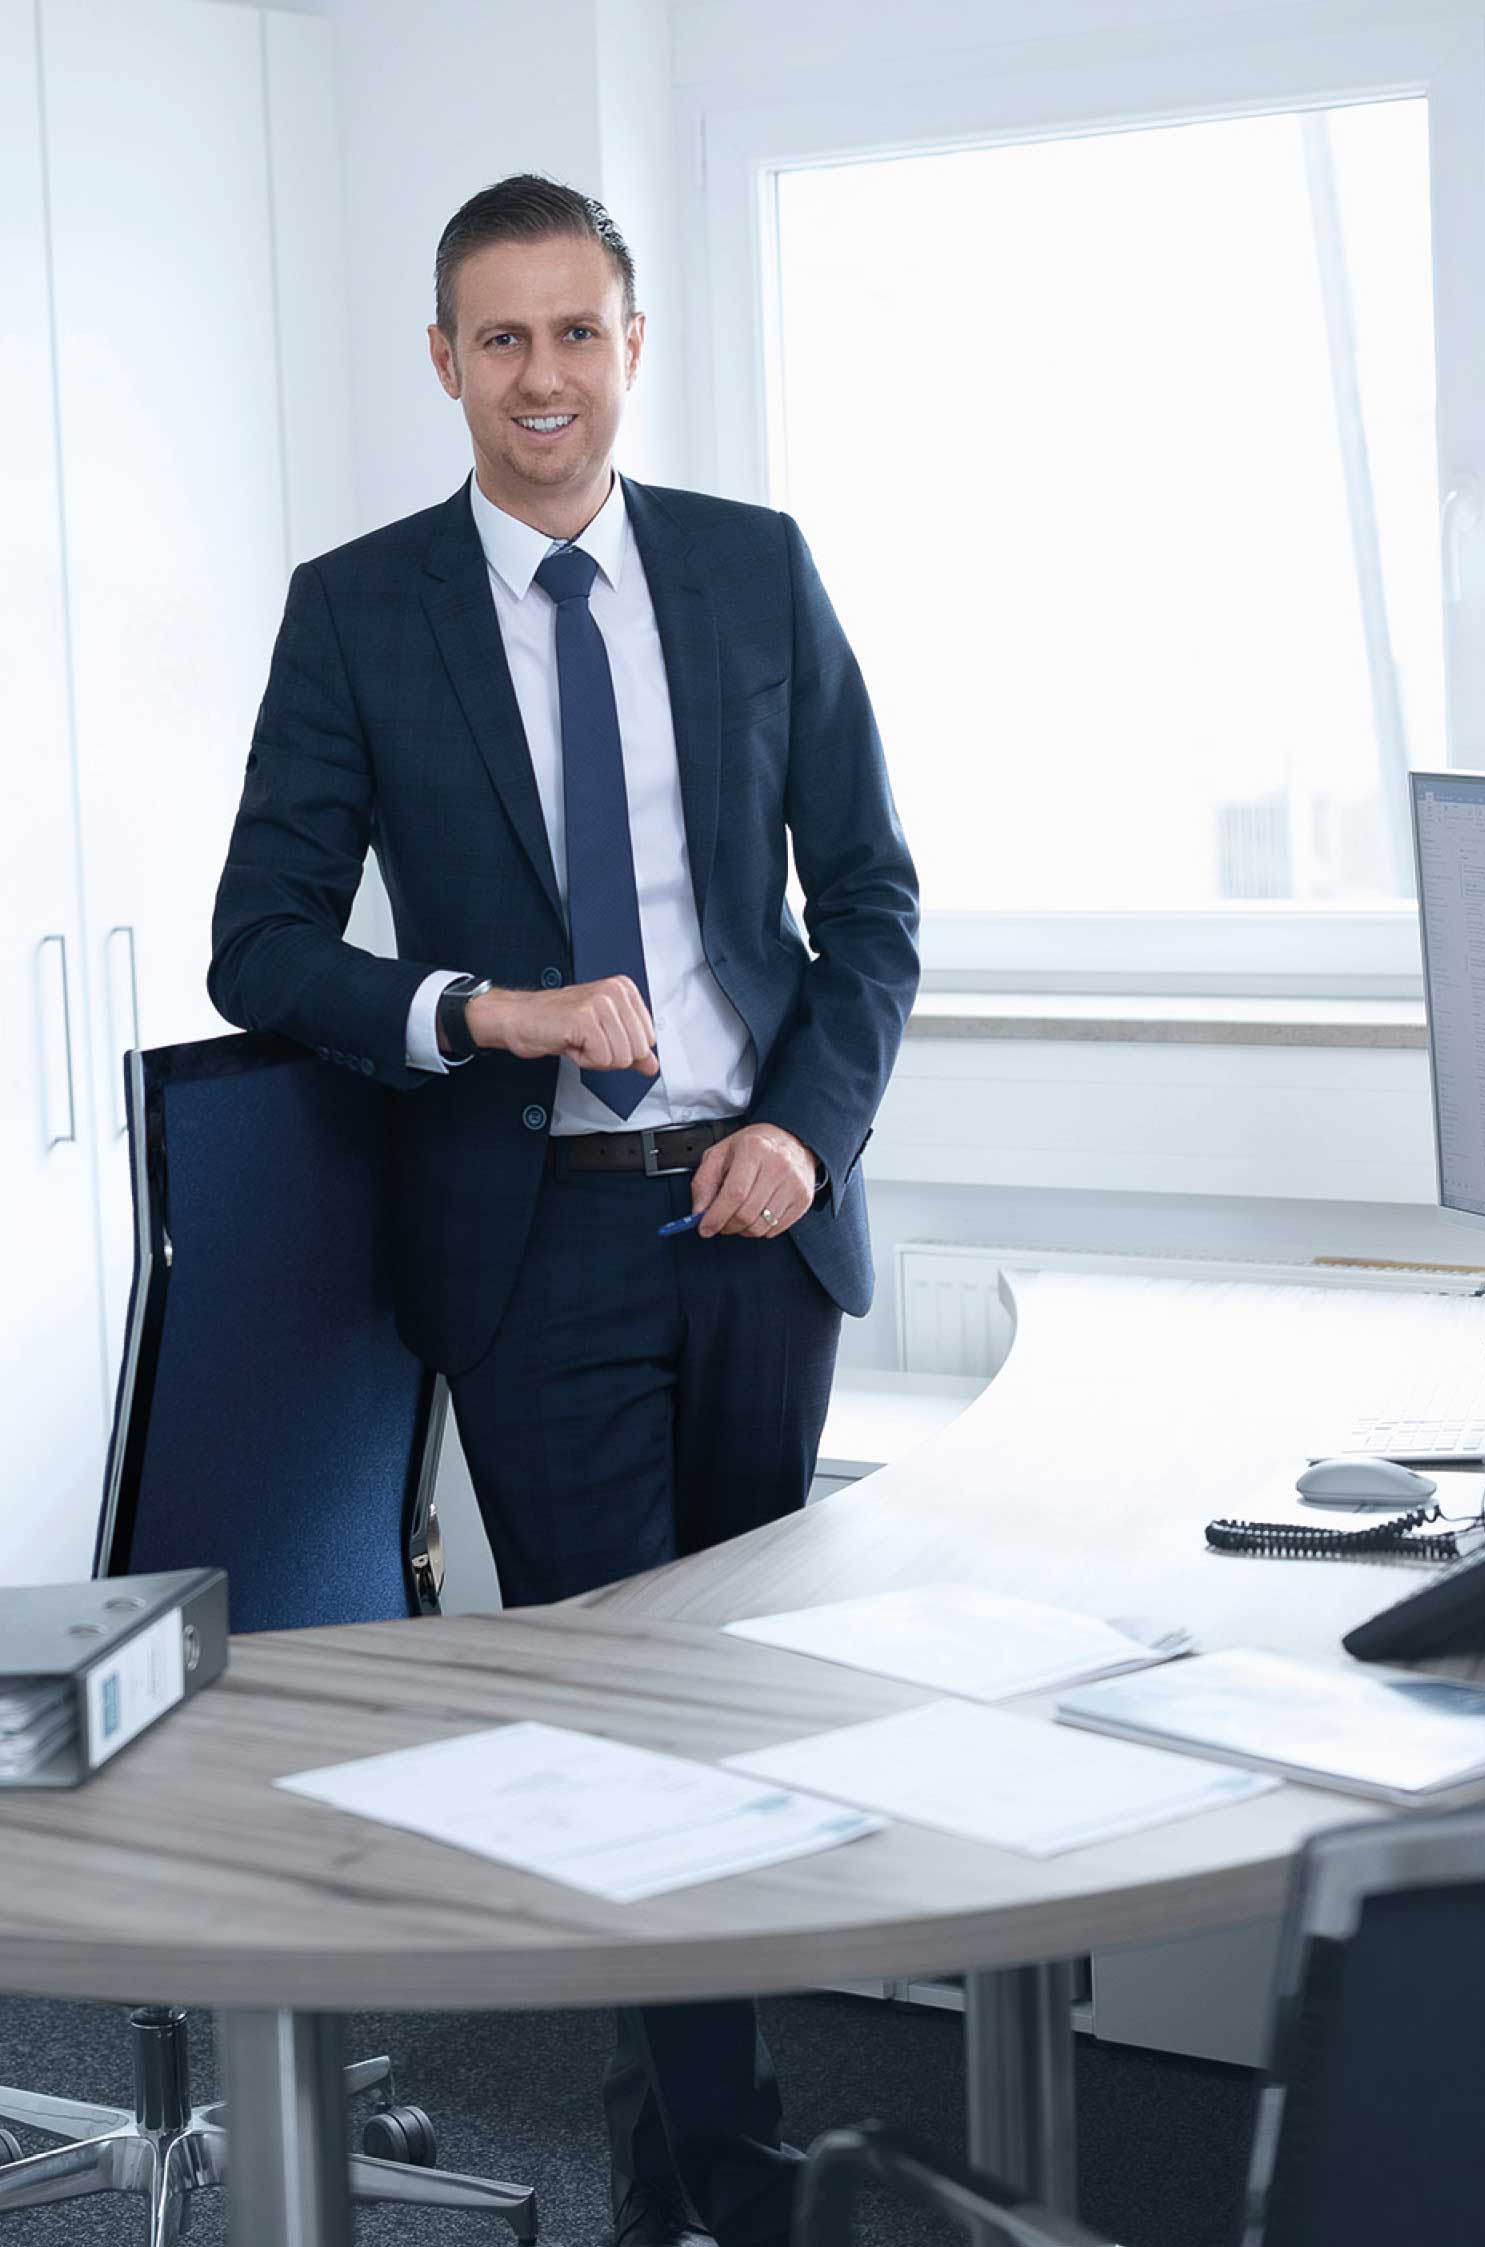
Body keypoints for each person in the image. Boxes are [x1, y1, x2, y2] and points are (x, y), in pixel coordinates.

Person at [208, 173, 919, 2247]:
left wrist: (808, 1129)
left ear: (631, 343)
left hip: (753, 1219)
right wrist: (479, 1008)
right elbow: (263, 940)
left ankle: (669, 2154)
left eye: (575, 333)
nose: (542, 377)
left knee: (747, 1725)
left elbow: (867, 900)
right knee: (624, 1734)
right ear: (444, 362)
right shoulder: (359, 607)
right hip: (537, 1242)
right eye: (497, 339)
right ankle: (735, 2178)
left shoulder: (752, 570)